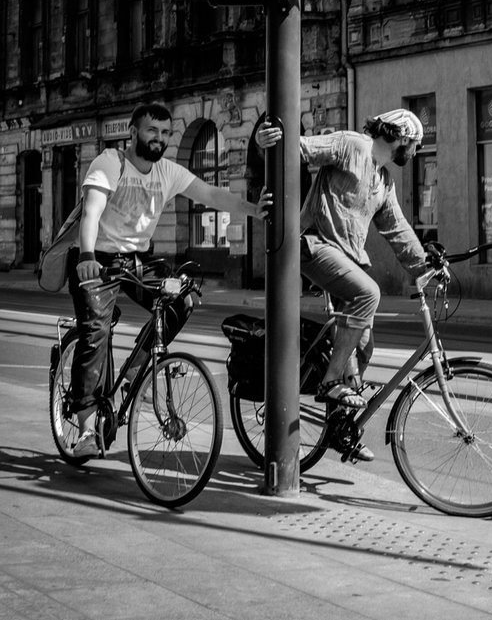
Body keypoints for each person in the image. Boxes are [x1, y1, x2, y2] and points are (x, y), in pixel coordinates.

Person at [70, 103, 271, 458]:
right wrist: (86, 256)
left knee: (184, 297)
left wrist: (254, 209)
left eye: (165, 133)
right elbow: (91, 212)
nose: (159, 139)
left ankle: (136, 369)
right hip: (98, 259)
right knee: (95, 333)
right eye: (152, 131)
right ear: (133, 132)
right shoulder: (109, 163)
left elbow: (211, 194)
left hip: (138, 261)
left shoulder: (168, 171)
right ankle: (86, 427)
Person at [255, 109, 428, 462]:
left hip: (347, 260)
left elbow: (398, 230)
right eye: (415, 145)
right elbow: (298, 149)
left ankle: (338, 426)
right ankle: (330, 380)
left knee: (363, 347)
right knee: (369, 293)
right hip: (314, 245)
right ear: (401, 136)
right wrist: (263, 143)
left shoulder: (383, 181)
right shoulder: (352, 146)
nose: (414, 153)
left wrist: (426, 265)